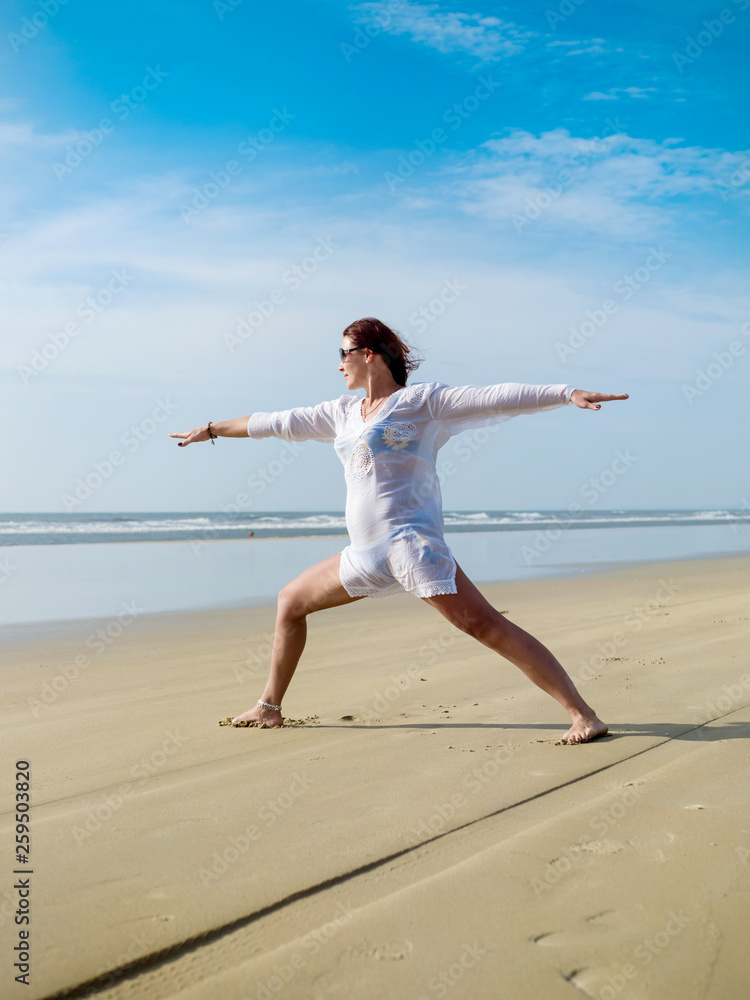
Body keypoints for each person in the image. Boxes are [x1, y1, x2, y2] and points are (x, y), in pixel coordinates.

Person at [170, 318, 629, 742]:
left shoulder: (422, 403)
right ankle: (269, 707)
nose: (338, 363)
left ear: (369, 353)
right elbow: (274, 422)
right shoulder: (343, 412)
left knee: (485, 625)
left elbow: (496, 396)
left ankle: (583, 715)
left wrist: (566, 393)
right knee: (290, 602)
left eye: (343, 352)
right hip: (364, 554)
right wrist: (211, 429)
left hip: (411, 545)